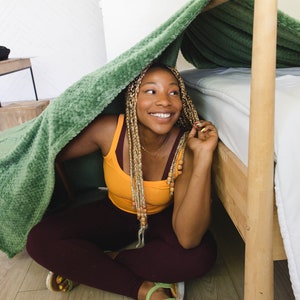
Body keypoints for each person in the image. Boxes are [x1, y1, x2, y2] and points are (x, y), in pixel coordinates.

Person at [26, 62, 218, 300]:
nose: (165, 101)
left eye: (173, 92)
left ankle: (93, 265)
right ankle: (144, 289)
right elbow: (46, 153)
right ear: (132, 99)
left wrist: (202, 158)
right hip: (115, 211)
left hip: (162, 217)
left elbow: (188, 239)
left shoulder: (185, 145)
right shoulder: (109, 130)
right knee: (39, 240)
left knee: (199, 256)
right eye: (151, 91)